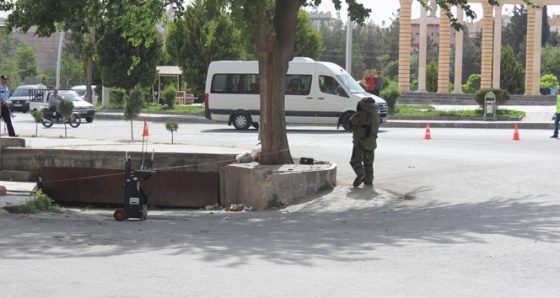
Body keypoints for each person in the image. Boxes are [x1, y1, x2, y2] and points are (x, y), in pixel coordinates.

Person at [348, 97, 380, 187]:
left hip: (360, 141)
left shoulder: (360, 114)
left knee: (355, 160)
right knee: (368, 162)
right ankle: (369, 180)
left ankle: (361, 174)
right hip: (371, 142)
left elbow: (351, 123)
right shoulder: (376, 114)